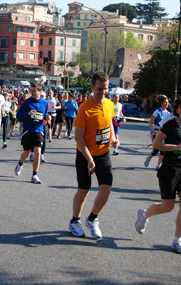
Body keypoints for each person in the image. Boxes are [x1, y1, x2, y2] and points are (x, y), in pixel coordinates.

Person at [135, 96, 181, 254]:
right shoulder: (170, 125)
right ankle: (144, 214)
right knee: (167, 207)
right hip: (169, 169)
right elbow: (156, 144)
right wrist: (176, 146)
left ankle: (177, 240)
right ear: (177, 110)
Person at [69, 72, 118, 239]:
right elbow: (78, 138)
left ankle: (92, 218)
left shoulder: (110, 104)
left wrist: (114, 137)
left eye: (106, 89)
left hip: (103, 154)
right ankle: (75, 221)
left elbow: (109, 121)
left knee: (106, 188)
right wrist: (89, 159)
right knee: (84, 190)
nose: (103, 92)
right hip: (85, 154)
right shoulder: (84, 108)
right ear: (92, 87)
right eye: (99, 89)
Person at [14, 82, 49, 184]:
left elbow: (45, 114)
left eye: (34, 91)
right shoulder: (27, 102)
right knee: (27, 153)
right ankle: (20, 163)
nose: (32, 93)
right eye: (31, 90)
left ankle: (34, 175)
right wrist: (28, 113)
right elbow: (18, 115)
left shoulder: (45, 103)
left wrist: (48, 117)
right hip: (28, 130)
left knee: (38, 153)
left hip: (39, 131)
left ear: (40, 91)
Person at [145, 95, 170, 169]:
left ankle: (159, 164)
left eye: (167, 102)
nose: (166, 104)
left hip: (164, 133)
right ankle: (149, 158)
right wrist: (153, 130)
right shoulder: (157, 112)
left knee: (163, 150)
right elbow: (150, 122)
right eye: (165, 102)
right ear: (162, 103)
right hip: (156, 132)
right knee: (156, 150)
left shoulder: (168, 113)